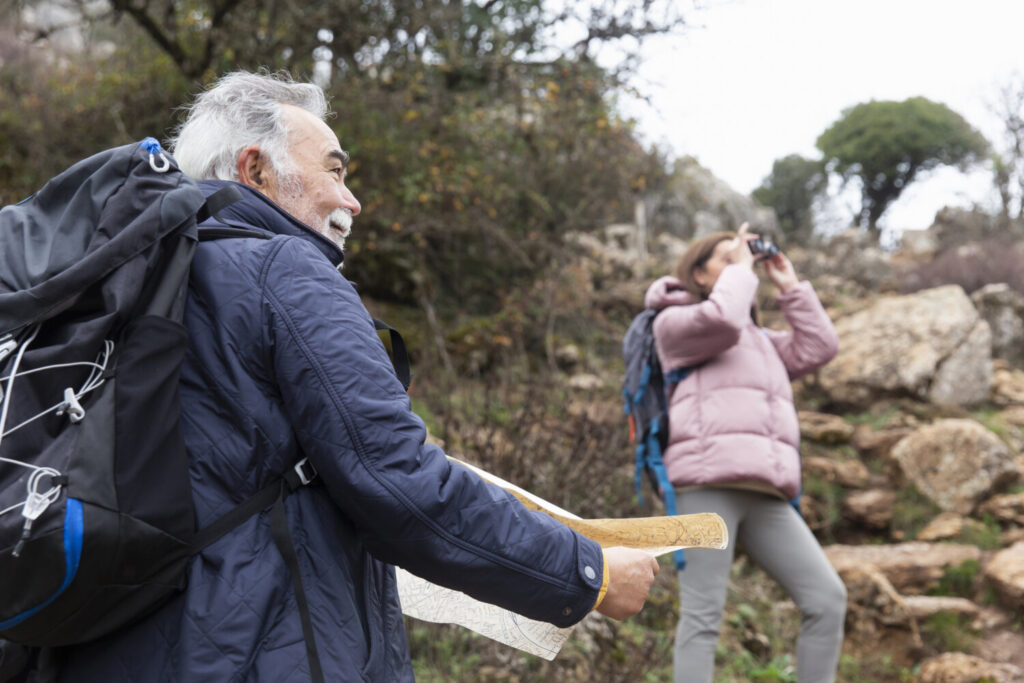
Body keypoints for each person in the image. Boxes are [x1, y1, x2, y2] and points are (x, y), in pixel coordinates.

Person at [48, 70, 659, 681]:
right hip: (254, 652)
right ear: (255, 170)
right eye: (335, 172)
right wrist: (588, 572)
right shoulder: (284, 269)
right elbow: (398, 483)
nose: (353, 201)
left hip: (109, 640)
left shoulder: (138, 282)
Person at [644, 224, 847, 683]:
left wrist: (789, 284)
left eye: (742, 258)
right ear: (697, 274)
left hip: (766, 492)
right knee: (703, 616)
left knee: (826, 599)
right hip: (705, 486)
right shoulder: (674, 324)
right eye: (725, 257)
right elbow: (723, 320)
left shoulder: (763, 342)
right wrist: (741, 266)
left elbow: (820, 347)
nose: (742, 264)